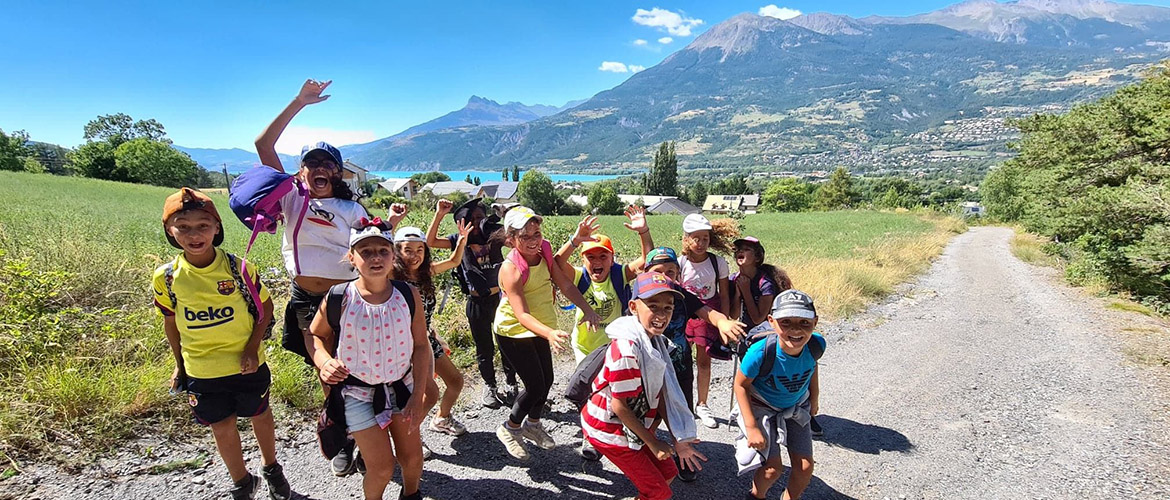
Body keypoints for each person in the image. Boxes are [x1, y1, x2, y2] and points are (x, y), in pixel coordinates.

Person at [254, 78, 406, 476]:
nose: (319, 169)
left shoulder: (351, 209)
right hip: (306, 300)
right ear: (302, 171)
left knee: (356, 370)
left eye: (327, 164)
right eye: (312, 163)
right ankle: (342, 435)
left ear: (337, 172)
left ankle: (362, 434)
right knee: (329, 372)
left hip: (347, 301)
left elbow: (375, 248)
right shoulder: (288, 196)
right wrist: (298, 103)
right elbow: (263, 147)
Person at [153, 188, 290, 500]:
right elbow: (171, 322)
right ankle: (242, 480)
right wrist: (179, 366)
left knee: (260, 414)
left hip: (248, 364)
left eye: (203, 225)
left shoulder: (238, 269)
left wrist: (252, 348)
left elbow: (265, 309)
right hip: (202, 369)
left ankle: (271, 467)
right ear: (169, 231)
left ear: (217, 228)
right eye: (183, 227)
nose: (194, 234)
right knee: (221, 425)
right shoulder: (167, 278)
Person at [306, 224, 432, 500]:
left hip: (401, 387)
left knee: (411, 458)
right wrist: (323, 360)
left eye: (382, 251)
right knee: (382, 467)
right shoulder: (340, 297)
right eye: (366, 252)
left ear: (392, 256)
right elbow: (315, 334)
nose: (375, 258)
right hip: (357, 394)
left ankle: (411, 495)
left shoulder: (408, 295)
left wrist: (418, 394)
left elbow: (421, 346)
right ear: (351, 257)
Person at [581, 272, 708, 500]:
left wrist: (677, 438)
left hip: (631, 423)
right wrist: (653, 442)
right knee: (659, 491)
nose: (661, 314)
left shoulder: (654, 342)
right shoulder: (628, 352)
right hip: (609, 428)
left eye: (668, 308)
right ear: (633, 306)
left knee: (667, 472)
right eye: (652, 305)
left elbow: (660, 395)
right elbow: (620, 407)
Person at [492, 206, 601, 460]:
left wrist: (586, 309)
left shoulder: (545, 251)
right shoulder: (511, 269)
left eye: (536, 233)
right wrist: (550, 333)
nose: (533, 241)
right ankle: (510, 428)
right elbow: (521, 315)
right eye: (525, 236)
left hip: (539, 327)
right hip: (512, 330)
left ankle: (533, 424)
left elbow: (564, 283)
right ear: (511, 239)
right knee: (535, 384)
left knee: (547, 379)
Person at [553, 206, 651, 460]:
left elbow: (648, 261)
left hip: (614, 347)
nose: (597, 262)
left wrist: (643, 232)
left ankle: (615, 432)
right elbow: (555, 263)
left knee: (613, 392)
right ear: (584, 260)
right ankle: (590, 438)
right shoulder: (579, 277)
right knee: (589, 391)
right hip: (585, 346)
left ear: (612, 258)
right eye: (591, 257)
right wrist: (575, 240)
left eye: (603, 257)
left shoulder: (619, 275)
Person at [639, 246, 746, 480]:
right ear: (648, 273)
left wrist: (722, 322)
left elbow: (707, 310)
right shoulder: (640, 296)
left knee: (682, 414)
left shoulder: (681, 294)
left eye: (671, 271)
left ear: (678, 274)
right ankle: (646, 451)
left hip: (680, 368)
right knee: (650, 414)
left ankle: (683, 454)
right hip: (649, 370)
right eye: (659, 271)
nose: (666, 276)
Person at [425, 198, 518, 408]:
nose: (477, 222)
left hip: (500, 300)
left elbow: (515, 237)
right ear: (462, 221)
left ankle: (511, 384)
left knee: (507, 343)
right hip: (476, 301)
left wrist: (504, 216)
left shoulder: (494, 236)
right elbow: (430, 241)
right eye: (472, 218)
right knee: (483, 347)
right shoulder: (458, 240)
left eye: (480, 217)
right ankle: (490, 386)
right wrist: (440, 214)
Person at [391, 223, 472, 458]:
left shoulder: (426, 274)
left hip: (426, 339)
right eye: (407, 249)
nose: (415, 255)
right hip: (404, 345)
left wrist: (461, 241)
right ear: (396, 251)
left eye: (420, 250)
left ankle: (441, 419)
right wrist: (392, 222)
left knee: (455, 381)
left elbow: (455, 262)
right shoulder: (391, 275)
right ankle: (409, 436)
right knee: (430, 393)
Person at [733, 290, 824, 500]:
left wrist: (814, 398)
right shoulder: (759, 353)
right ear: (772, 322)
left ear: (815, 322)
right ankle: (756, 496)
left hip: (796, 407)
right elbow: (740, 385)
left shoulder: (816, 345)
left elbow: (812, 366)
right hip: (761, 407)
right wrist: (752, 427)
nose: (795, 329)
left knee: (805, 467)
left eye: (804, 322)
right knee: (772, 469)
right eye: (786, 322)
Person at [678, 213, 735, 429]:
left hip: (710, 314)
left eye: (705, 238)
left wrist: (725, 322)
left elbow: (725, 294)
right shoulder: (680, 262)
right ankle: (683, 404)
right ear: (686, 239)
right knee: (681, 360)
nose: (701, 243)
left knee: (704, 361)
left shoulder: (717, 262)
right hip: (685, 316)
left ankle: (702, 404)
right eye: (696, 238)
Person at [728, 236, 792, 332]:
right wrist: (737, 295)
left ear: (757, 258)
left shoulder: (765, 284)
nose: (740, 252)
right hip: (745, 332)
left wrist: (746, 291)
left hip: (765, 332)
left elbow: (758, 319)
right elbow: (733, 315)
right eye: (738, 249)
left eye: (746, 249)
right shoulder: (732, 279)